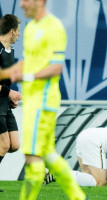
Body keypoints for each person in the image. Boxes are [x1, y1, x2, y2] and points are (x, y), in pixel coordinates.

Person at [0, 0, 86, 199]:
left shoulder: (53, 27)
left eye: (26, 0)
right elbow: (28, 64)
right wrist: (12, 75)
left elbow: (56, 68)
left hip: (43, 101)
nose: (21, 4)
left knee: (32, 158)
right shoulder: (31, 29)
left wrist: (23, 78)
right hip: (31, 101)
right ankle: (78, 197)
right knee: (46, 154)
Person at [0, 14, 22, 165]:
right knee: (4, 145)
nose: (20, 34)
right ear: (12, 31)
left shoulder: (9, 51)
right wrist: (9, 93)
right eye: (19, 30)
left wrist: (9, 97)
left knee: (14, 145)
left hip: (4, 104)